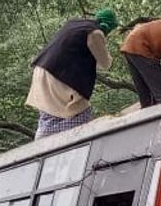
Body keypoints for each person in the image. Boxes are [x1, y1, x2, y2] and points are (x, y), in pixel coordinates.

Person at [27, 9, 119, 139]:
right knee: (80, 113)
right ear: (108, 26)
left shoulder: (74, 23)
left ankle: (42, 143)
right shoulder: (95, 32)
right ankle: (73, 143)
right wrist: (108, 55)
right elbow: (104, 63)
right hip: (59, 77)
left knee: (50, 115)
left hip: (42, 71)